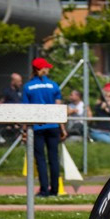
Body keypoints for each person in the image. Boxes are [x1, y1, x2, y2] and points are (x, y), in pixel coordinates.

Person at [22, 57, 66, 197]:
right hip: (53, 125)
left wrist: (24, 130)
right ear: (40, 69)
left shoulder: (28, 87)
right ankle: (55, 189)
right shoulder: (54, 85)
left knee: (40, 159)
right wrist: (62, 128)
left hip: (37, 127)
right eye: (46, 67)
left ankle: (44, 190)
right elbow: (58, 108)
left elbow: (25, 110)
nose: (48, 69)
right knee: (53, 158)